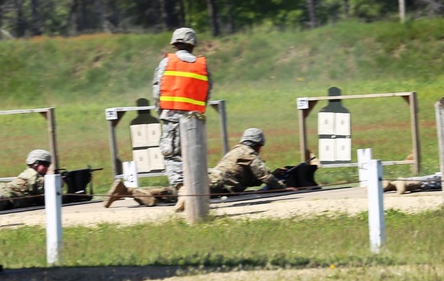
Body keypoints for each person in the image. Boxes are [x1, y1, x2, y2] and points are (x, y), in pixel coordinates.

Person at [106, 127, 304, 208]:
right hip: (216, 185)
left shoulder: (236, 151)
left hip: (210, 176)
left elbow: (244, 177)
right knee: (177, 196)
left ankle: (127, 191)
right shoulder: (250, 154)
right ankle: (130, 192)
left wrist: (273, 173)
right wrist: (283, 187)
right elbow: (264, 177)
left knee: (177, 192)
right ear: (258, 145)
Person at [152, 27, 211, 194]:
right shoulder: (202, 65)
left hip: (171, 118)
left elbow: (157, 90)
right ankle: (196, 192)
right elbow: (207, 92)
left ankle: (183, 191)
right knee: (194, 155)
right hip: (195, 119)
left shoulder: (166, 63)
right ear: (193, 44)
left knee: (171, 155)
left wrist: (161, 112)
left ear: (175, 43)